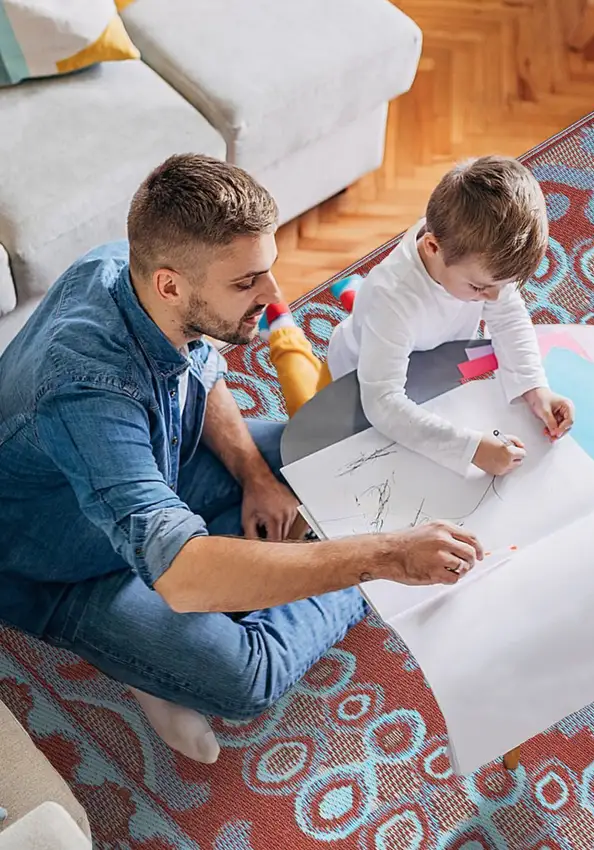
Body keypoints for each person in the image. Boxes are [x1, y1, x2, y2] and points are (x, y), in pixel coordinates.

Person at [0, 154, 483, 764]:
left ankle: (173, 648)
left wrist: (254, 475)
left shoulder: (127, 268)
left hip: (163, 466)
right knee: (246, 677)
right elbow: (183, 574)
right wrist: (384, 556)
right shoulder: (87, 393)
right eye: (246, 283)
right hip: (65, 564)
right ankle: (152, 661)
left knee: (347, 449)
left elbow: (198, 369)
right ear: (171, 285)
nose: (273, 296)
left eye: (268, 270)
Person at [262, 156, 575, 478]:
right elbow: (382, 403)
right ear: (432, 247)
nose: (494, 298)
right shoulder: (393, 297)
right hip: (354, 376)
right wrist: (471, 450)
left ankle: (357, 293)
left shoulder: (464, 248)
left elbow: (508, 315)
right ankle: (281, 329)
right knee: (309, 425)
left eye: (503, 286)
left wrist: (535, 389)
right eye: (480, 288)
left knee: (386, 314)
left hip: (427, 353)